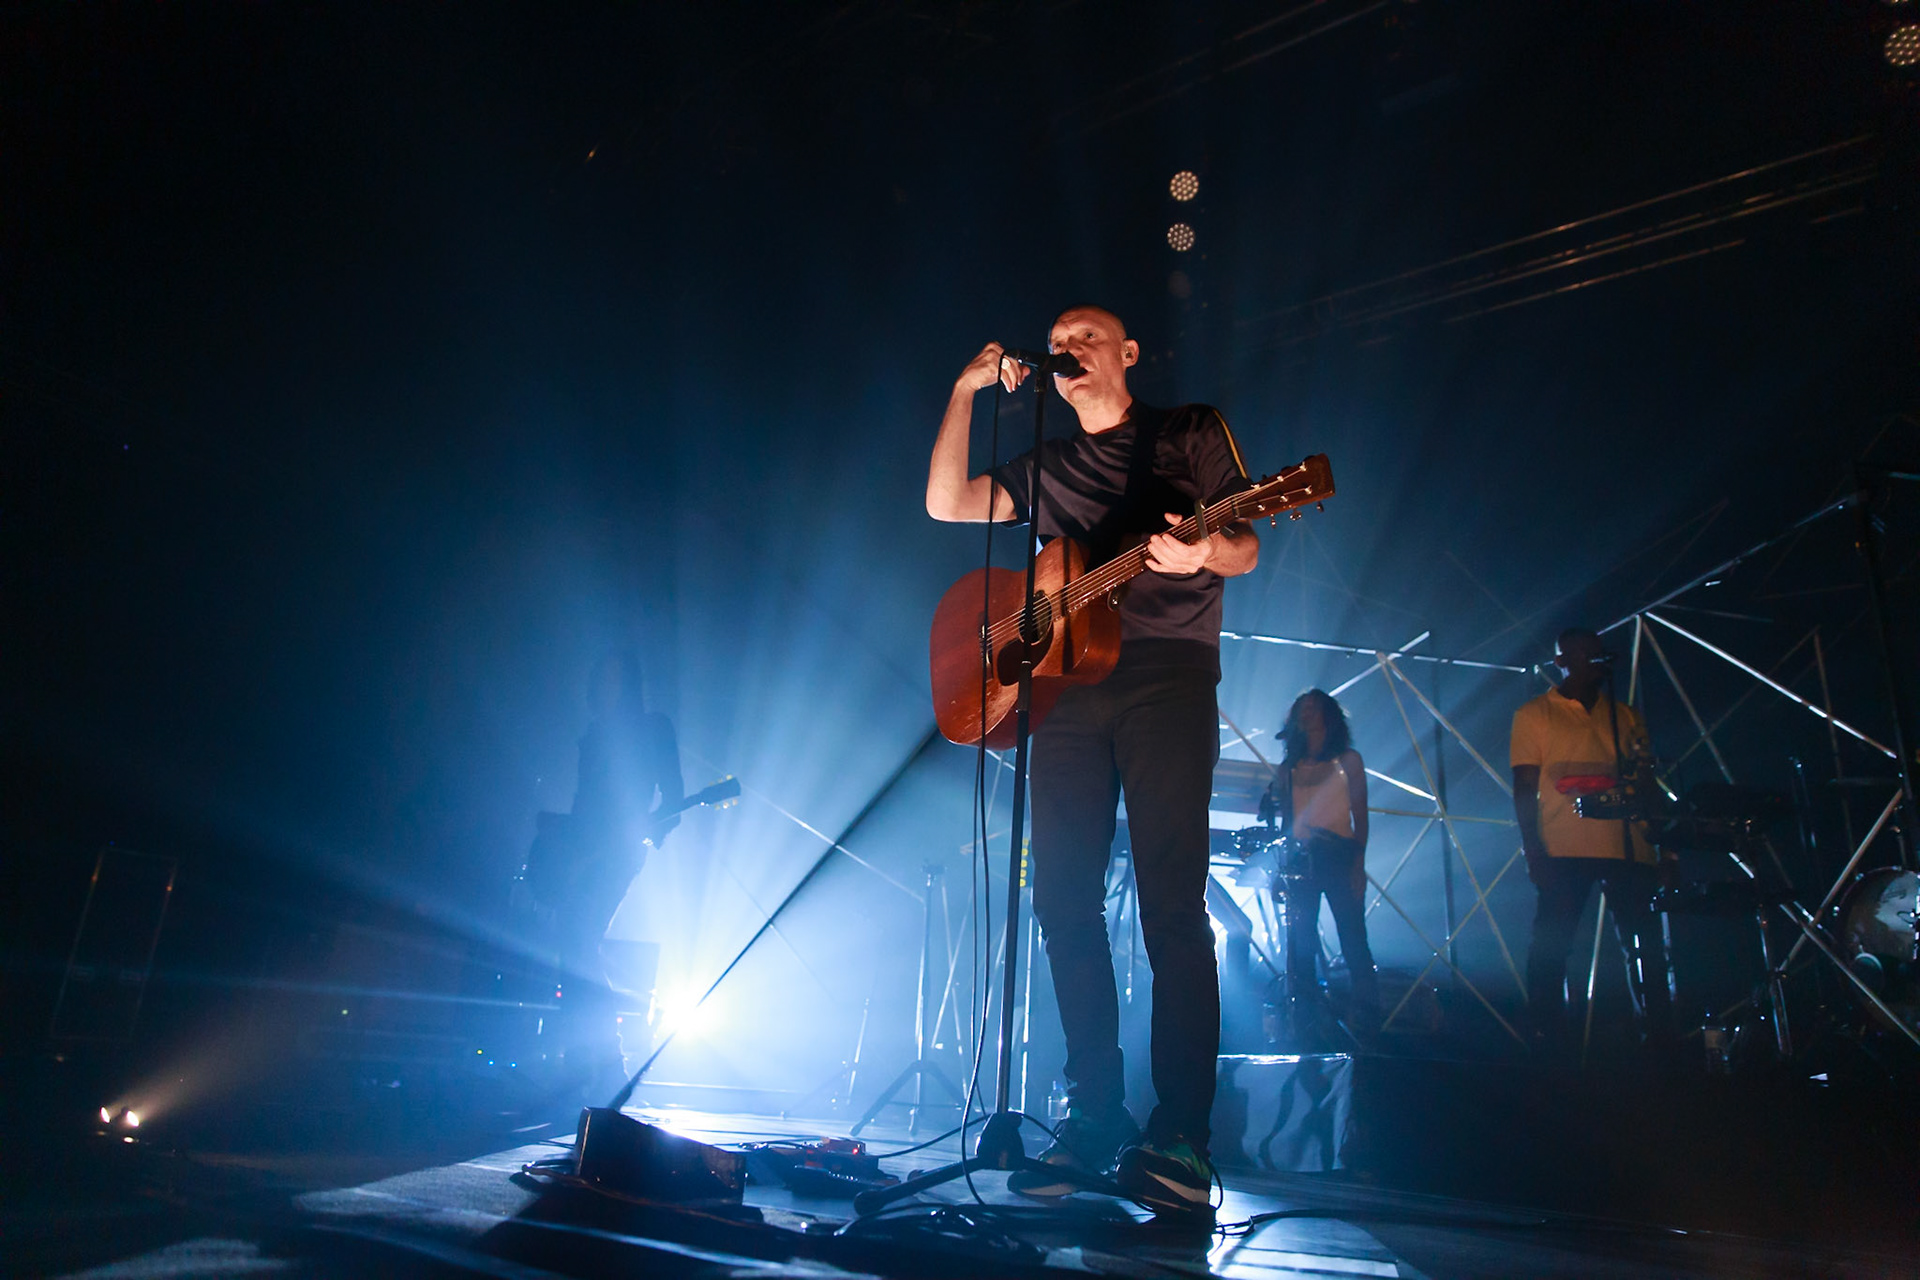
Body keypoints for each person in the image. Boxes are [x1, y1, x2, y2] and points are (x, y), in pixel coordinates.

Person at [925, 306, 1259, 1215]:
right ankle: (1098, 1115)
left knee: (1171, 908)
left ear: (1128, 353)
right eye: (1057, 337)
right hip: (1068, 691)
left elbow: (1248, 542)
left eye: (1084, 333)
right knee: (1061, 900)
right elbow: (947, 502)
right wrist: (965, 389)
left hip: (1168, 681)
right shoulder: (1045, 462)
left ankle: (1183, 1135)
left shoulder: (1185, 433)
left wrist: (1202, 552)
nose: (1065, 345)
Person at [519, 650, 684, 1089]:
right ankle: (586, 1057)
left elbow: (674, 798)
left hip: (616, 852)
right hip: (580, 848)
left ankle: (603, 1059)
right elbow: (585, 802)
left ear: (630, 684)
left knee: (579, 940)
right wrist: (560, 836)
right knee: (574, 946)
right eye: (603, 679)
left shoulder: (654, 728)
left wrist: (652, 829)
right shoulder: (594, 733)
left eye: (617, 679)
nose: (608, 686)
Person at [1510, 628, 1672, 1051]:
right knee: (1552, 947)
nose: (1594, 658)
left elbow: (1647, 783)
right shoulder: (1534, 714)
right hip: (1564, 847)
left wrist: (1664, 844)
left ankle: (1658, 1038)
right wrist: (1533, 848)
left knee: (1645, 949)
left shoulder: (1625, 715)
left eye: (1597, 651)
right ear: (1563, 661)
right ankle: (1547, 1038)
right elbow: (1524, 786)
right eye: (1583, 652)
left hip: (1629, 846)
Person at [1266, 689, 1378, 1036]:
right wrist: (1280, 868)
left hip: (1339, 853)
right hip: (1302, 858)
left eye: (1313, 708)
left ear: (1328, 715)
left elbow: (1361, 815)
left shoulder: (1348, 761)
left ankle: (1368, 1020)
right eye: (1301, 708)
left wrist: (1358, 864)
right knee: (1300, 942)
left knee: (1353, 938)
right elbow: (1286, 822)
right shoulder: (1289, 768)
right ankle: (1307, 1022)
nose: (1306, 714)